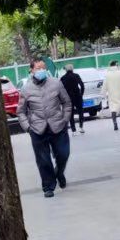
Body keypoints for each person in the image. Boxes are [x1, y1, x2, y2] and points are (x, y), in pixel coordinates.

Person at [18, 58, 72, 198]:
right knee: (43, 160)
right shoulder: (26, 89)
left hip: (58, 125)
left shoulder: (56, 83)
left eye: (43, 68)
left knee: (64, 154)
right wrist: (28, 127)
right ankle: (48, 186)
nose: (41, 70)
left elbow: (66, 103)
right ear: (31, 70)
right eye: (38, 68)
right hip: (37, 129)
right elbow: (21, 112)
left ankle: (59, 172)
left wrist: (65, 119)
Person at [104, 59, 120, 131]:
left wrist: (103, 93)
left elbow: (105, 85)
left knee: (113, 109)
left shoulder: (107, 74)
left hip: (111, 94)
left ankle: (115, 124)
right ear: (116, 65)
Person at [60, 63, 86, 133]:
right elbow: (82, 85)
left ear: (66, 70)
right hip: (77, 96)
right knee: (80, 111)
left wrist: (63, 98)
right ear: (72, 69)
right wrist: (81, 94)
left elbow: (61, 89)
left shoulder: (63, 78)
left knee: (71, 114)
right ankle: (81, 127)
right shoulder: (76, 76)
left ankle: (73, 130)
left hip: (68, 98)